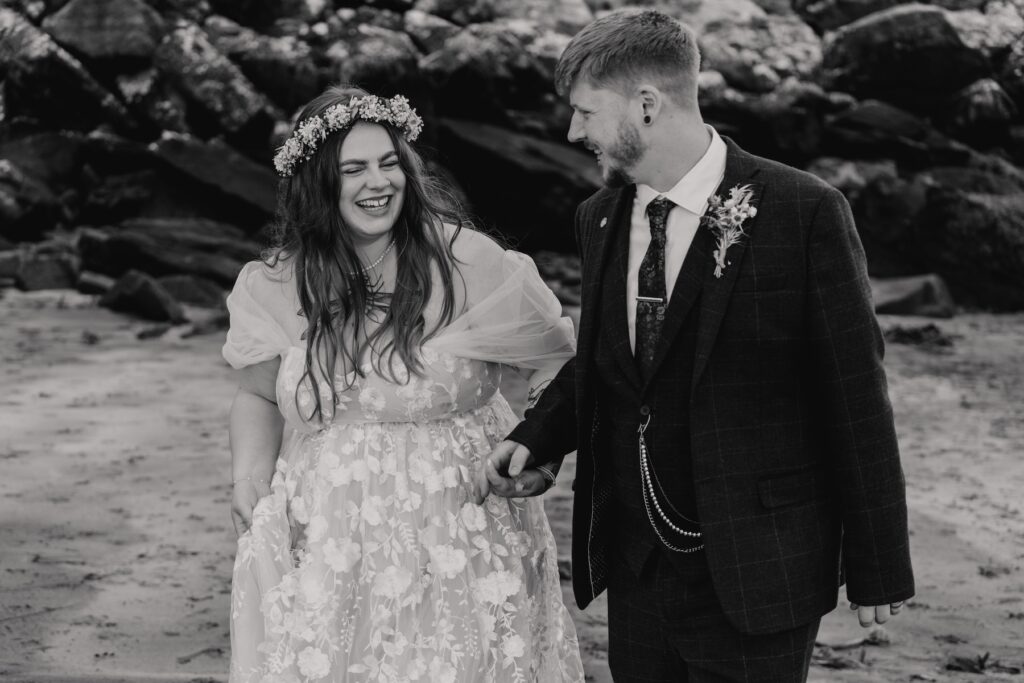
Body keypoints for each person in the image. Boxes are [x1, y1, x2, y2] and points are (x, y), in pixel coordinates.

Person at [478, 9, 915, 682]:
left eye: (586, 112)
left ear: (646, 105)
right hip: (637, 563)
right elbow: (606, 360)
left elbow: (856, 395)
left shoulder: (804, 211)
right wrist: (539, 435)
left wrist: (879, 563)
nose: (573, 132)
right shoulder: (597, 219)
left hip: (759, 566)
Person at [222, 84, 585, 682]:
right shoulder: (275, 284)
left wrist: (538, 452)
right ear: (318, 183)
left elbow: (561, 362)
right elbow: (259, 393)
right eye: (355, 169)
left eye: (390, 163)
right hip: (329, 536)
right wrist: (248, 479)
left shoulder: (469, 261)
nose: (379, 182)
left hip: (462, 532)